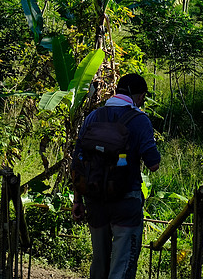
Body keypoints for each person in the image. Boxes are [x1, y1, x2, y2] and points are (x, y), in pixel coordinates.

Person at [72, 73, 160, 279]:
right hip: (126, 200)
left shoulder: (93, 117)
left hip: (94, 199)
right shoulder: (140, 120)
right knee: (121, 267)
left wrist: (78, 200)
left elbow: (78, 162)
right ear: (139, 97)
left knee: (99, 263)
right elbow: (153, 164)